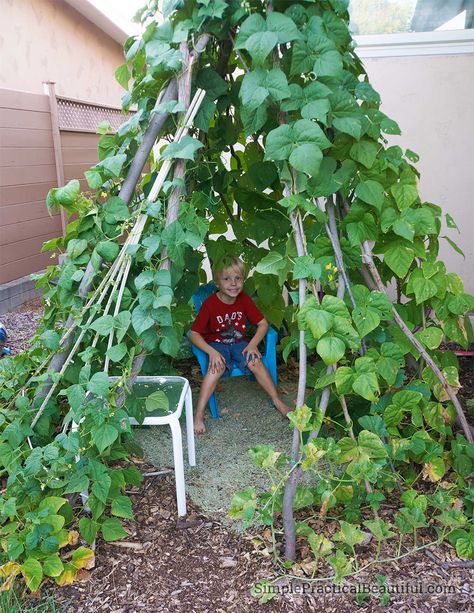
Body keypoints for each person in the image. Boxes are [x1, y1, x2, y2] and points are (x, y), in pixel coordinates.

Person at [190, 256, 293, 434]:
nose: (233, 284)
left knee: (256, 361)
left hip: (240, 343)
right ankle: (198, 415)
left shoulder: (244, 299)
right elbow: (194, 334)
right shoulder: (209, 304)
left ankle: (278, 402)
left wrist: (253, 344)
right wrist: (211, 352)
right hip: (217, 345)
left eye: (238, 278)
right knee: (215, 369)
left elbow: (263, 324)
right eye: (227, 279)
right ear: (217, 282)